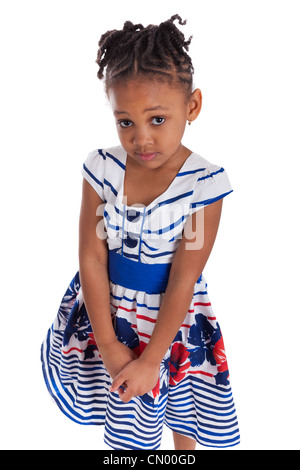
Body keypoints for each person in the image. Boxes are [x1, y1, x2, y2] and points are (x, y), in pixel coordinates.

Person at [41, 14, 240, 450]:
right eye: (125, 122)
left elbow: (185, 277)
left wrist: (152, 358)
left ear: (192, 106)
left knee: (180, 403)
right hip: (108, 310)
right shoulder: (101, 169)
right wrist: (111, 346)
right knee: (131, 416)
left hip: (172, 316)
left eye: (157, 120)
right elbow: (91, 257)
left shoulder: (204, 183)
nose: (141, 138)